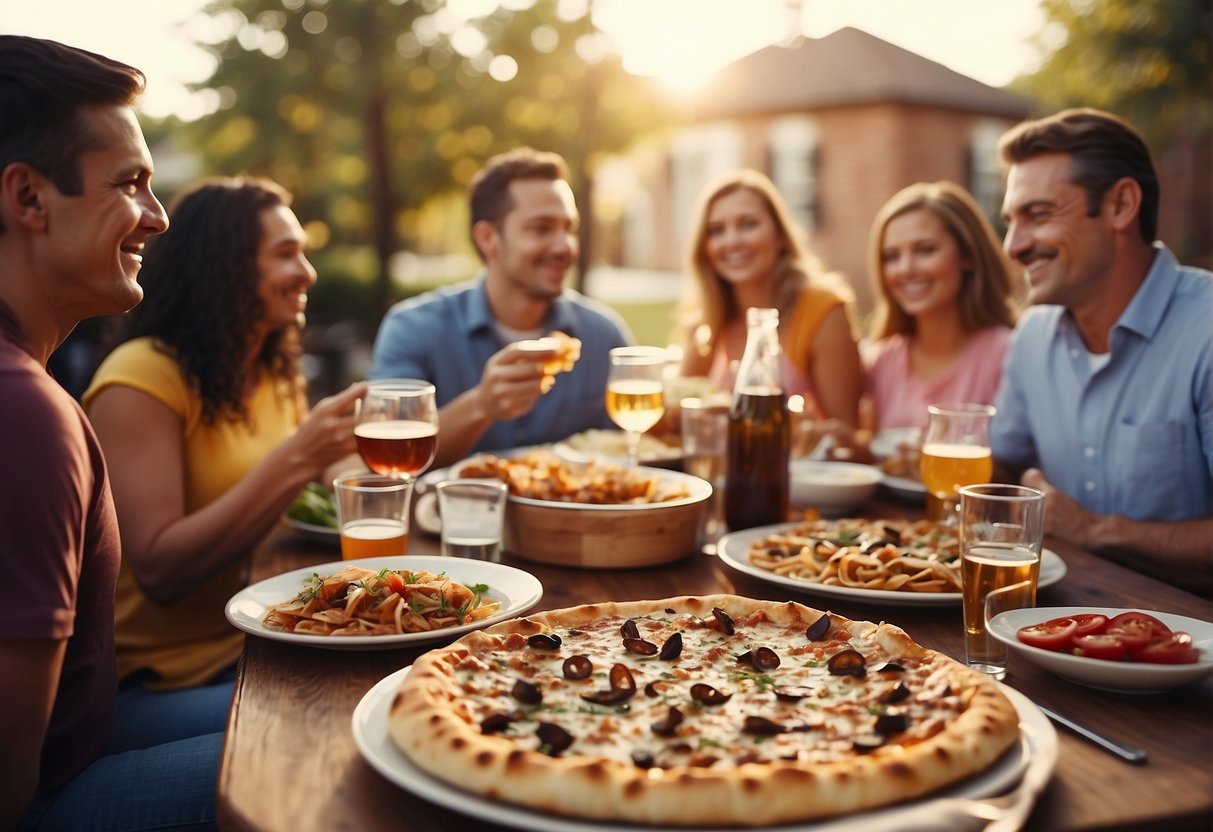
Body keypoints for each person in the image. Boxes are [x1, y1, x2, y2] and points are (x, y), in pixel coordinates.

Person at [0, 35, 218, 831]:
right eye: (130, 184)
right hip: (47, 797)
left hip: (84, 734)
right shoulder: (24, 414)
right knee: (353, 749)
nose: (158, 219)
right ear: (28, 198)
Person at [82, 179, 363, 708]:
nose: (308, 272)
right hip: (163, 678)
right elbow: (160, 571)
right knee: (344, 709)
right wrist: (301, 455)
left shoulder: (273, 368)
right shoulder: (142, 377)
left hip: (263, 638)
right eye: (286, 254)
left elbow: (326, 477)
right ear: (225, 266)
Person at [992, 107, 1212, 593]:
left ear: (1121, 205)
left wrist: (1095, 530)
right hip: (1053, 614)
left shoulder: (1206, 331)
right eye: (1010, 221)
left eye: (1038, 214)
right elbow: (1002, 465)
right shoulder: (1032, 335)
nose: (1013, 246)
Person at [369, 147, 632, 467]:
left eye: (568, 228)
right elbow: (387, 463)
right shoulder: (412, 330)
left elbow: (634, 453)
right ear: (488, 239)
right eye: (541, 228)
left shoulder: (604, 336)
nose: (564, 247)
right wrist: (481, 406)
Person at [675, 169, 863, 427]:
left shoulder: (822, 310)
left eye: (748, 224)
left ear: (780, 236)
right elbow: (676, 415)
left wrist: (785, 422)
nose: (732, 241)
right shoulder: (707, 321)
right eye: (716, 230)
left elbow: (848, 434)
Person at [862, 180, 1021, 433]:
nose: (905, 269)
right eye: (892, 256)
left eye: (925, 250)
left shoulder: (1007, 354)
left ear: (968, 255)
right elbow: (864, 446)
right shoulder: (881, 362)